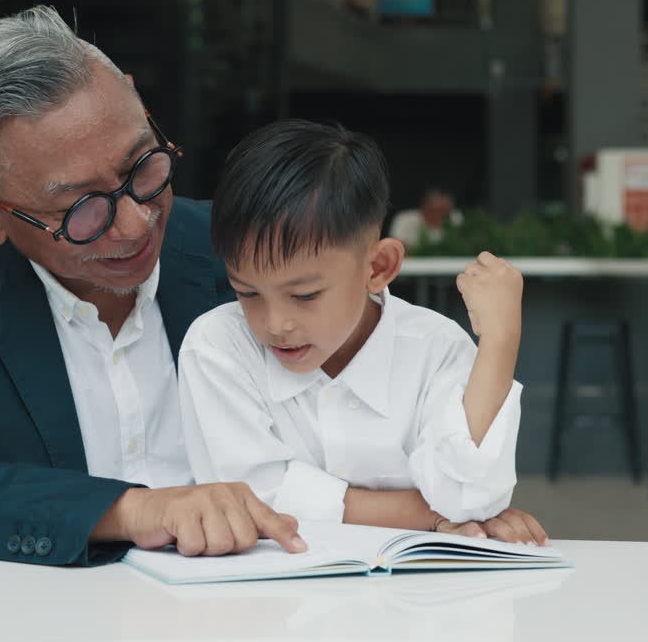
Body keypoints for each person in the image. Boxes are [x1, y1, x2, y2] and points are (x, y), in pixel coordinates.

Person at [0, 5, 307, 566]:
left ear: (138, 106)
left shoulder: (247, 248)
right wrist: (129, 510)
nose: (136, 224)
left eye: (143, 168)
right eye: (82, 210)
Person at [179, 120, 547, 544]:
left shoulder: (435, 350)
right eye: (247, 293)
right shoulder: (219, 345)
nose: (275, 324)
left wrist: (501, 339)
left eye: (305, 295)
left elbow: (467, 496)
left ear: (378, 267)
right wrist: (426, 513)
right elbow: (247, 498)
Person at [388, 185, 464, 250]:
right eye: (437, 210)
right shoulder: (405, 218)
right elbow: (395, 248)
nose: (440, 215)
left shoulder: (455, 218)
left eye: (444, 211)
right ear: (424, 205)